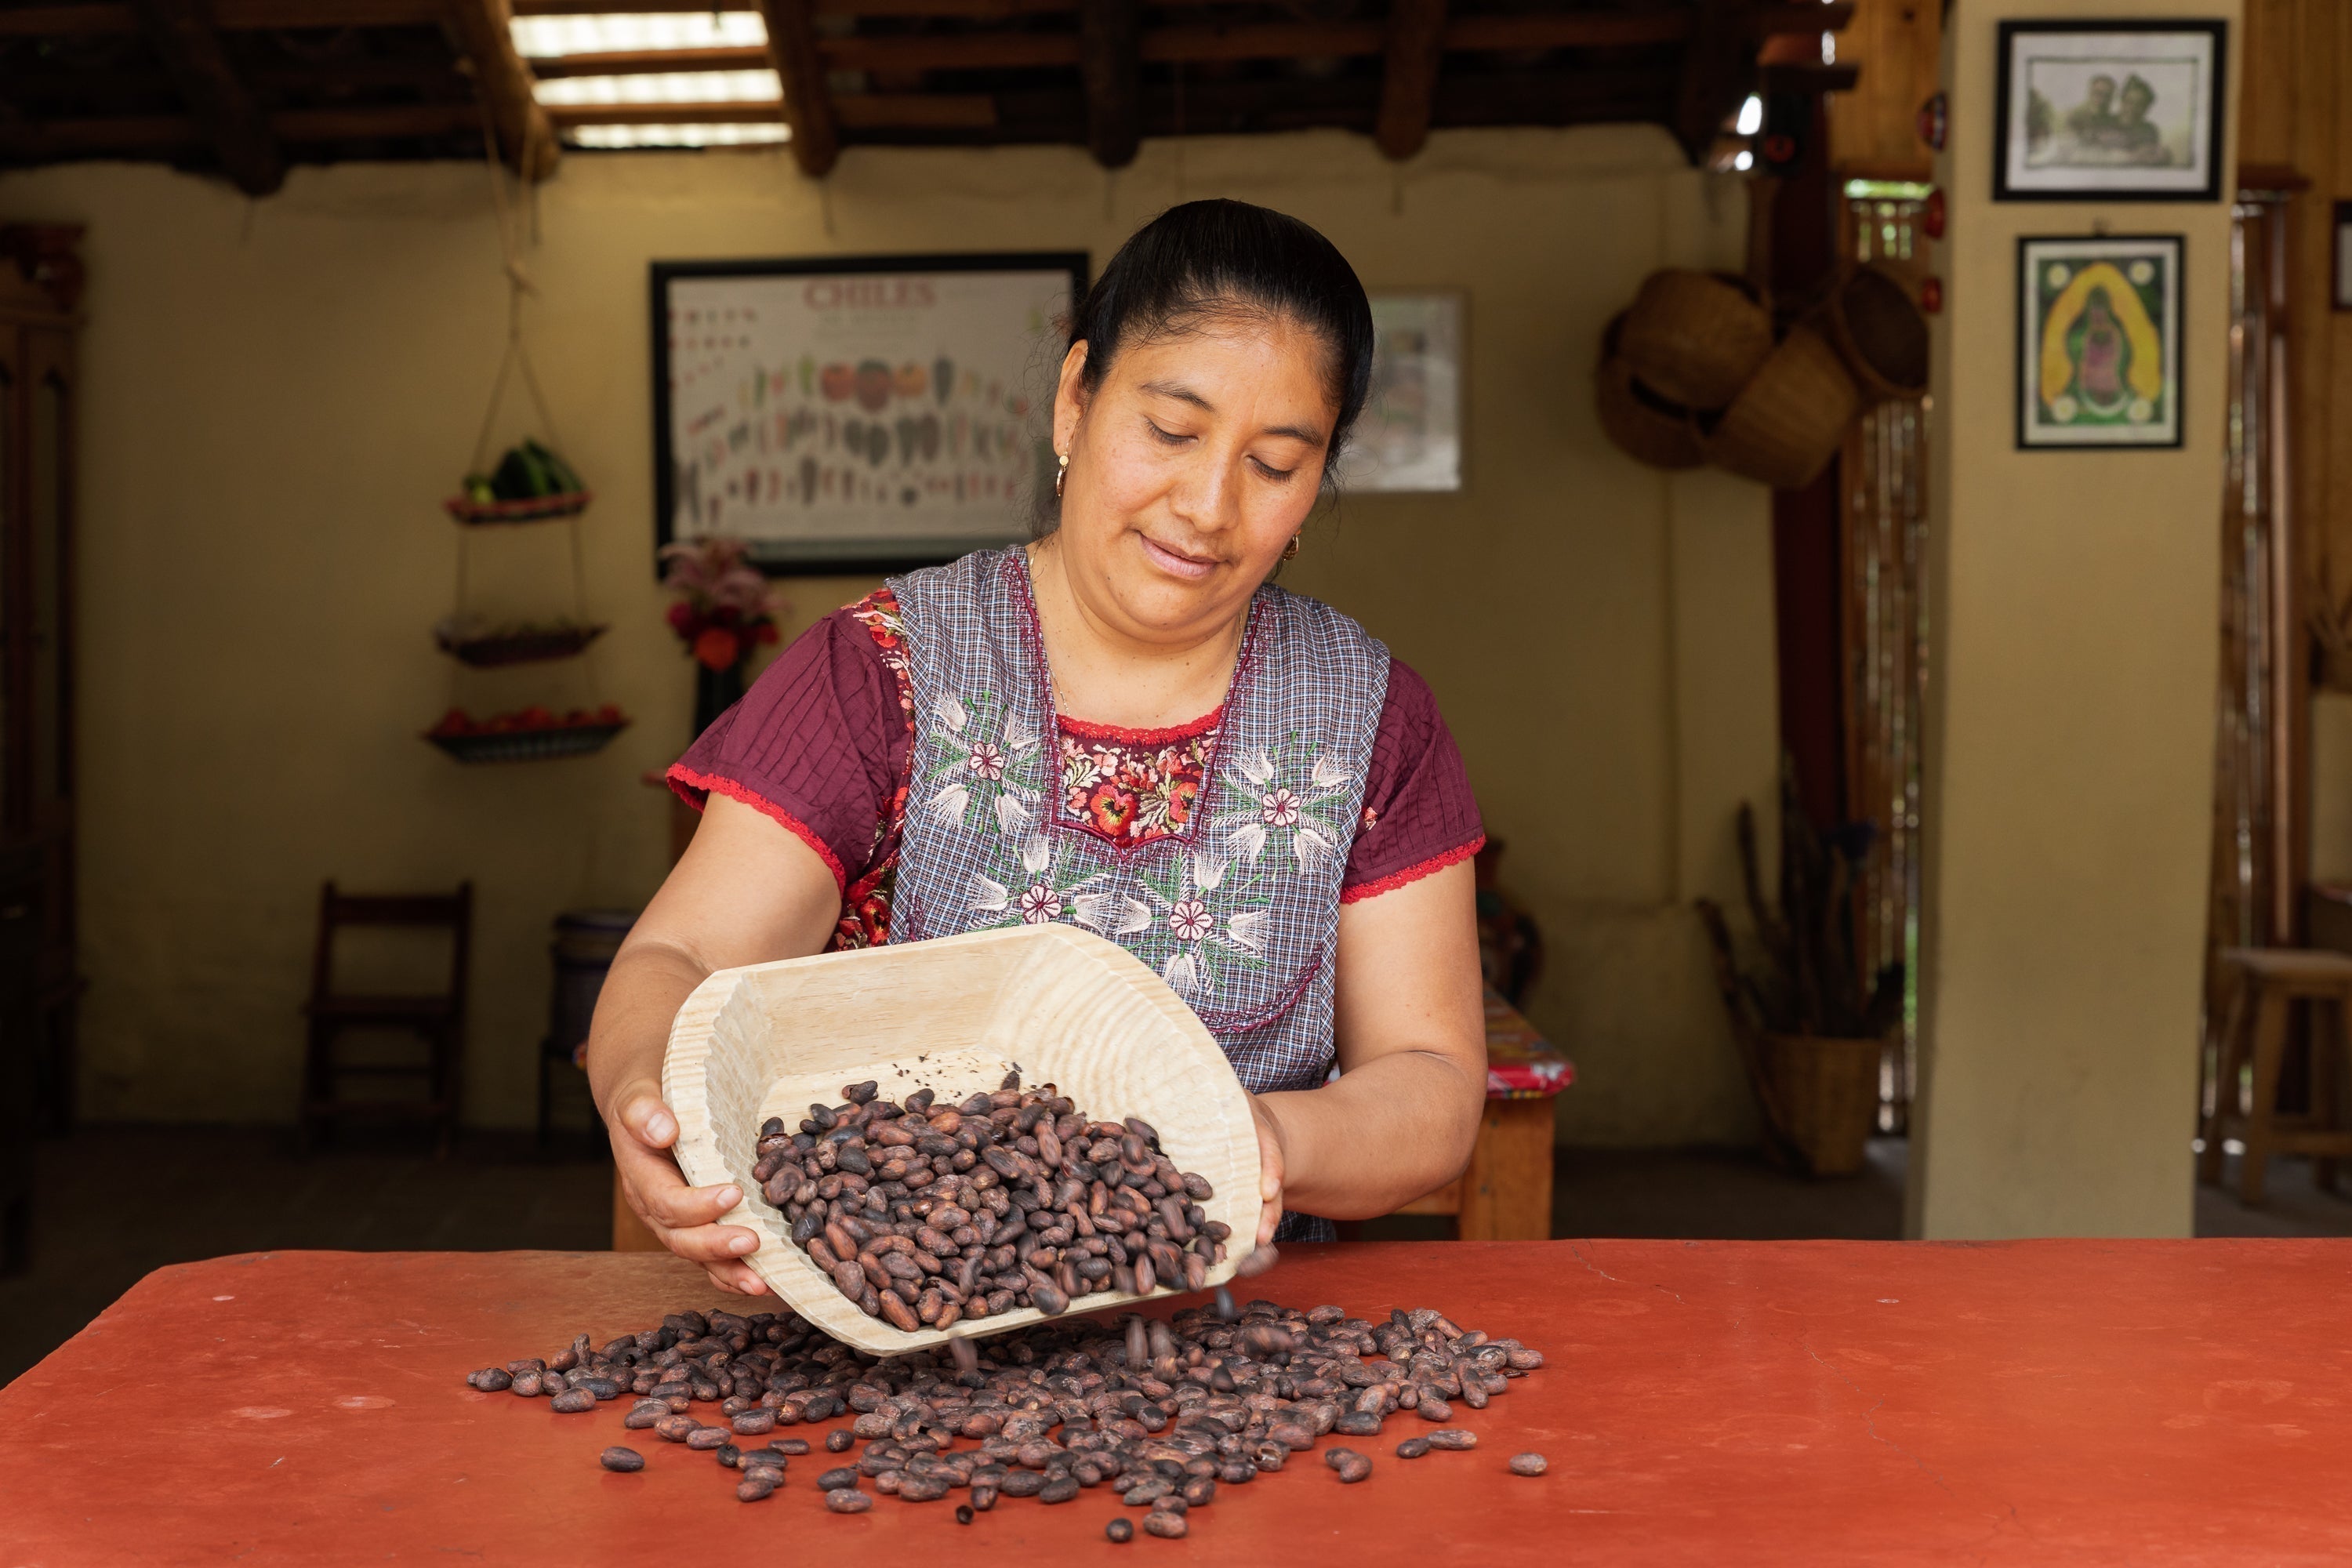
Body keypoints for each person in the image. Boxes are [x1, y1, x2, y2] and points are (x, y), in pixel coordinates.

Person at [590, 199, 1490, 1296]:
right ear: (1075, 401)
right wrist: (644, 1090)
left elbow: (1434, 1079)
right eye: (1171, 430)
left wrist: (1270, 1141)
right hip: (890, 1325)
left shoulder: (1370, 714)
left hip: (1230, 1337)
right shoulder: (880, 673)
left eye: (1275, 462)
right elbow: (677, 962)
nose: (1206, 506)